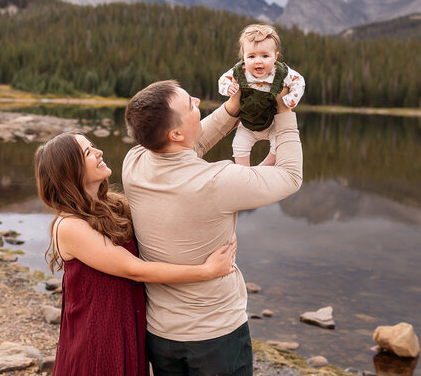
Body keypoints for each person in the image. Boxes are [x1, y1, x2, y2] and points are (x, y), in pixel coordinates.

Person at [122, 79, 303, 375]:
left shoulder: (134, 163)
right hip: (216, 338)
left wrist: (232, 108)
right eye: (189, 104)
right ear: (176, 132)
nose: (196, 100)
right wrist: (284, 113)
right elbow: (292, 176)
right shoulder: (218, 181)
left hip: (161, 335)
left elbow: (187, 147)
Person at [34, 132, 237, 376]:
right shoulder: (69, 226)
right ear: (71, 172)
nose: (99, 152)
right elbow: (134, 269)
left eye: (93, 146)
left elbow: (175, 156)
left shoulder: (114, 206)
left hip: (127, 323)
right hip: (97, 335)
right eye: (88, 153)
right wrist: (206, 271)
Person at [218, 23, 305, 166]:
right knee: (239, 145)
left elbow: (299, 82)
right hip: (247, 123)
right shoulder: (240, 71)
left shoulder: (281, 72)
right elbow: (222, 80)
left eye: (265, 56)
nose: (258, 61)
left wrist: (292, 98)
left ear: (275, 56)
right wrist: (227, 88)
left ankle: (262, 167)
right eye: (251, 56)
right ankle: (243, 170)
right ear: (244, 57)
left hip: (272, 123)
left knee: (279, 144)